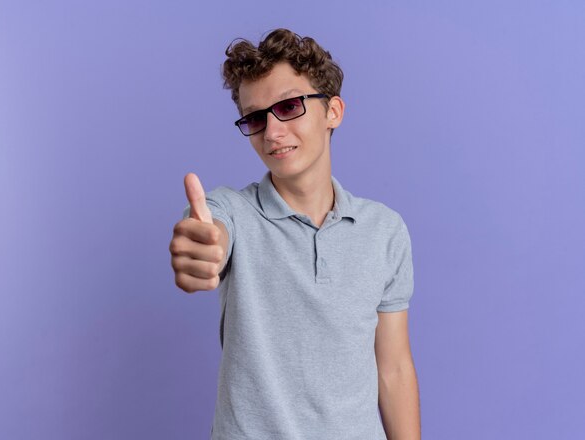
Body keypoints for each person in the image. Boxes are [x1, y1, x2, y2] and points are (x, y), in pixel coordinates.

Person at [170, 28, 421, 440]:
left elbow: (393, 368)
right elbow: (211, 230)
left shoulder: (384, 230)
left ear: (333, 112)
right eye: (255, 118)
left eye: (288, 107)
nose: (271, 132)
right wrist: (203, 245)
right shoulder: (233, 210)